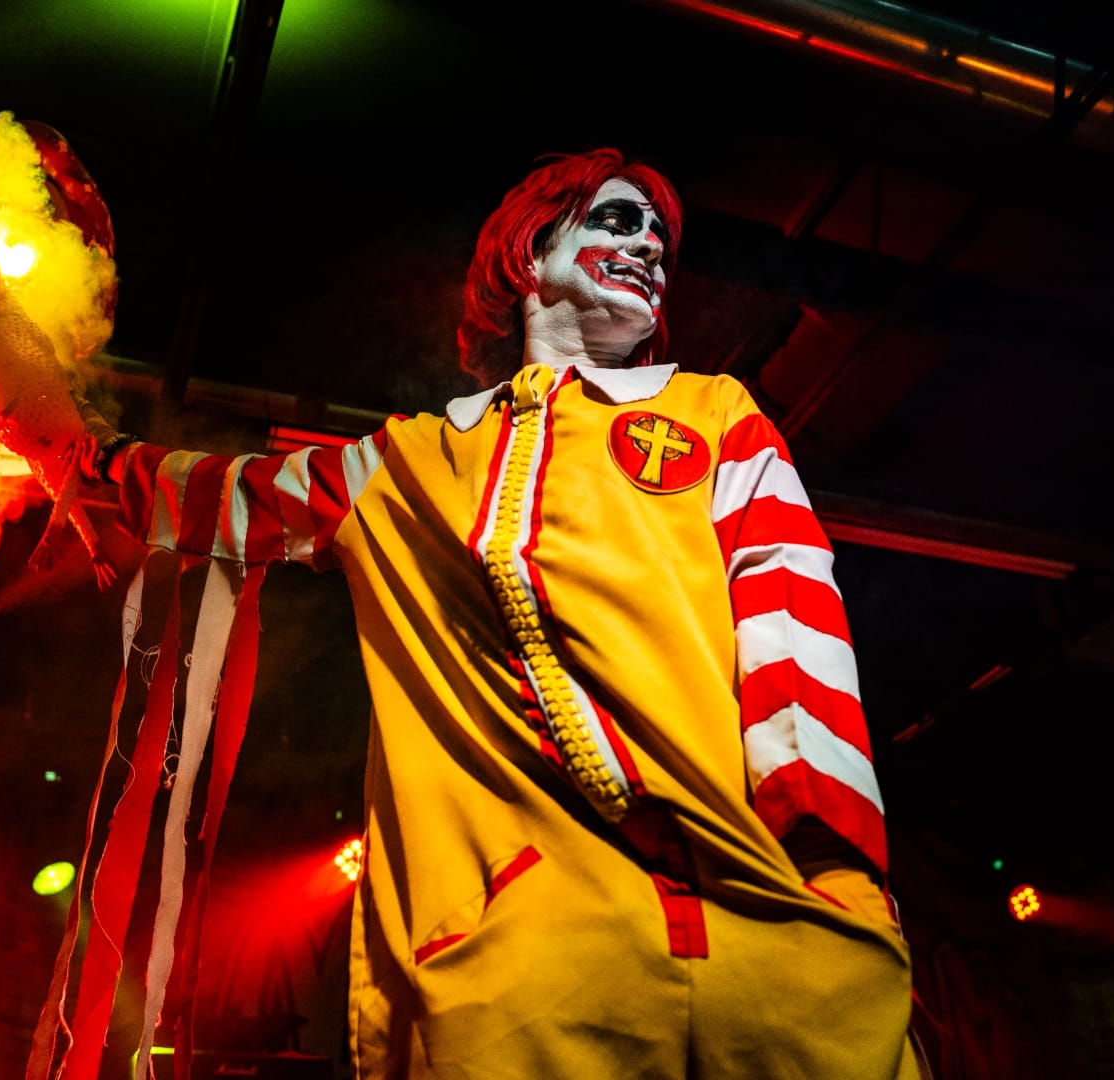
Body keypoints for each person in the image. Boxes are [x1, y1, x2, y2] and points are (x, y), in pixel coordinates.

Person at [71, 148, 918, 1079]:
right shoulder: (407, 462)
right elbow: (220, 499)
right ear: (531, 250)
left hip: (763, 938)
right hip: (516, 972)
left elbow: (796, 629)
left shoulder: (715, 415)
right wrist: (79, 447)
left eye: (660, 238)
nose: (649, 247)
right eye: (616, 219)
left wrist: (843, 875)